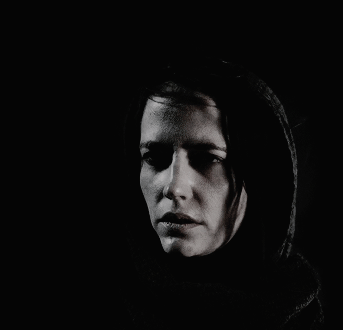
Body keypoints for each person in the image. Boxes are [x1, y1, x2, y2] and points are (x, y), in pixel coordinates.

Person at [112, 56, 323, 329]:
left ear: (259, 176)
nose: (174, 187)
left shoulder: (302, 319)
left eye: (207, 159)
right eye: (154, 158)